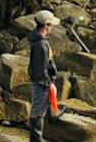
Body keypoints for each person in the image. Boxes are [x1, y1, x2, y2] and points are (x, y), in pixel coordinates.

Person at [27, 10, 62, 142]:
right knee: (37, 110)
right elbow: (42, 69)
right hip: (41, 82)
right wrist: (49, 83)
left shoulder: (39, 40)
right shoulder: (41, 44)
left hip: (40, 81)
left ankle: (37, 136)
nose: (51, 27)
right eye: (51, 24)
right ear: (46, 25)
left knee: (39, 108)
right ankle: (36, 139)